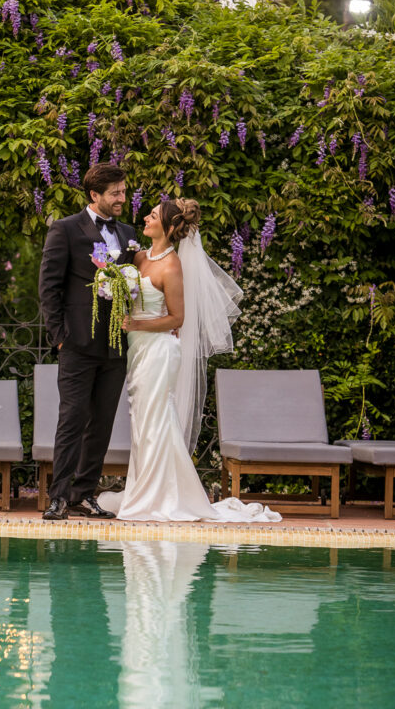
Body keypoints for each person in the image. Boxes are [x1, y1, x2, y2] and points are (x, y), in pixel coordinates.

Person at [99, 198, 281, 523]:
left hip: (159, 351)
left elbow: (177, 319)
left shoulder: (172, 266)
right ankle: (145, 490)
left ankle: (159, 497)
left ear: (169, 227)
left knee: (156, 422)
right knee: (141, 422)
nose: (145, 218)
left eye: (152, 216)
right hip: (137, 350)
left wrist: (137, 324)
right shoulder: (138, 257)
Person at [38, 163, 137, 521]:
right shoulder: (65, 229)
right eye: (115, 193)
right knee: (72, 420)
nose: (122, 198)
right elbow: (49, 287)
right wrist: (60, 338)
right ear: (95, 195)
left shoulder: (128, 233)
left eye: (123, 191)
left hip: (116, 346)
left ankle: (83, 494)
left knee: (102, 424)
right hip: (77, 344)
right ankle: (58, 497)